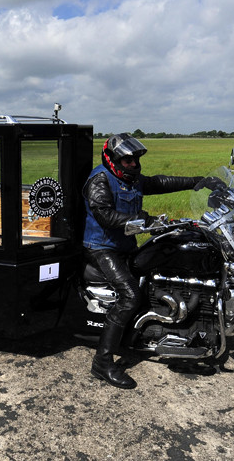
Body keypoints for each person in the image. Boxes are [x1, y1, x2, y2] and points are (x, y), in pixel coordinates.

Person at [83, 133, 209, 389]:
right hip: (101, 248)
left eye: (135, 160)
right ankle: (102, 362)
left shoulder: (130, 178)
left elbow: (159, 182)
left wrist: (199, 182)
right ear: (113, 159)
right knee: (130, 295)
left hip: (125, 245)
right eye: (127, 160)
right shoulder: (100, 179)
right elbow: (105, 216)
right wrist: (146, 222)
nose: (133, 165)